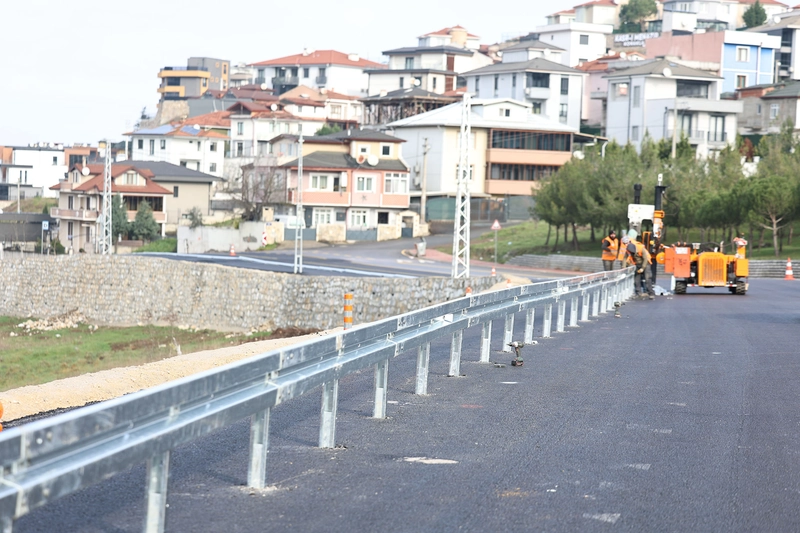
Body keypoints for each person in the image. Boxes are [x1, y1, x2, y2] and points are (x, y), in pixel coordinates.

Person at [622, 234, 655, 300]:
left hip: (646, 262)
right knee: (637, 278)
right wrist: (624, 267)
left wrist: (643, 268)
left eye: (626, 243)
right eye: (624, 243)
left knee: (647, 277)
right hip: (637, 263)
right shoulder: (628, 249)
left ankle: (651, 293)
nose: (626, 245)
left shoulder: (640, 248)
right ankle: (638, 293)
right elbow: (625, 258)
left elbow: (645, 259)